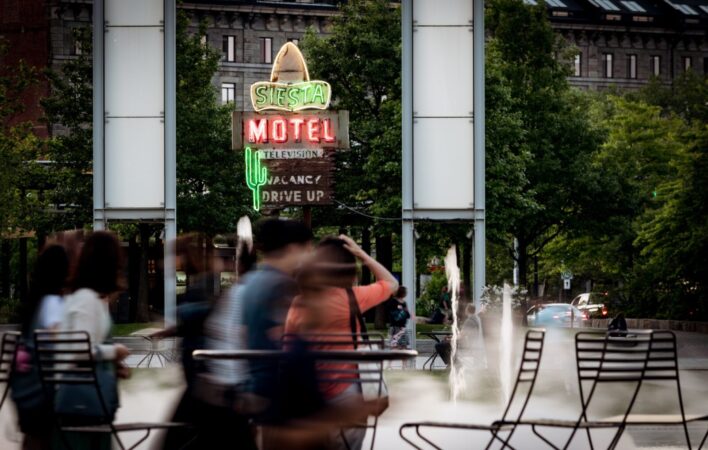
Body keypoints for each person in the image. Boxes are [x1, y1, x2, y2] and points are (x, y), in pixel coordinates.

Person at [285, 235, 399, 450]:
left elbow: (288, 346)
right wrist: (361, 253)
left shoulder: (300, 302)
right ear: (348, 267)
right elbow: (392, 284)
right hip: (348, 394)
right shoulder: (353, 297)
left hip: (309, 393)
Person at [58, 231, 131, 449]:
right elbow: (79, 350)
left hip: (84, 402)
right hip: (85, 405)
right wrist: (114, 352)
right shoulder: (87, 301)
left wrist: (112, 363)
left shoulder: (83, 298)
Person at [241, 219, 313, 418]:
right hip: (279, 383)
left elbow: (243, 333)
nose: (308, 256)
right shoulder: (282, 284)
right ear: (292, 248)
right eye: (305, 250)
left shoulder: (250, 281)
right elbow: (285, 336)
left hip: (256, 380)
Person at [12, 244, 70, 450]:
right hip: (46, 396)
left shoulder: (35, 303)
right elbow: (61, 341)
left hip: (27, 393)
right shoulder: (53, 304)